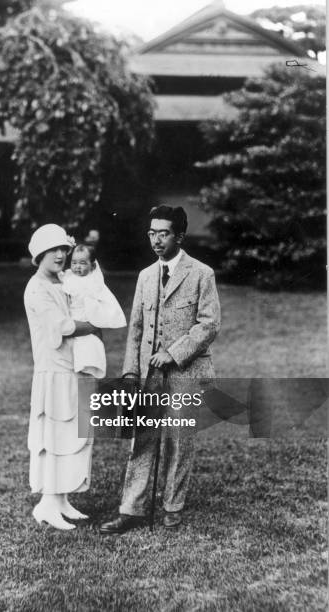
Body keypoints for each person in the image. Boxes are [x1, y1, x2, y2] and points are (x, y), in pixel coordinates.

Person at [100, 205, 221, 534]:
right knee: (143, 438)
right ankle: (131, 508)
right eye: (151, 233)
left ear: (179, 236)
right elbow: (136, 331)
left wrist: (174, 353)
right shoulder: (145, 276)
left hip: (187, 372)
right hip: (148, 376)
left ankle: (173, 506)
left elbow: (209, 325)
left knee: (179, 439)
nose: (156, 239)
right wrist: (129, 373)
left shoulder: (201, 274)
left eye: (163, 233)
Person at [24, 224, 100, 531]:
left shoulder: (62, 281)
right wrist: (94, 324)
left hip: (73, 367)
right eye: (53, 250)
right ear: (40, 254)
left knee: (73, 435)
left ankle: (62, 499)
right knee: (53, 436)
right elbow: (64, 326)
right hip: (53, 372)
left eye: (63, 250)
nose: (60, 255)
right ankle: (46, 504)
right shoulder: (36, 288)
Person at [61, 244, 126, 379]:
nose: (77, 267)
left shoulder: (94, 282)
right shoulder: (68, 277)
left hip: (87, 322)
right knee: (71, 362)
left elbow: (106, 301)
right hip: (72, 321)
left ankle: (87, 379)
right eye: (74, 263)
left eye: (83, 263)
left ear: (93, 266)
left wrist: (101, 318)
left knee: (88, 356)